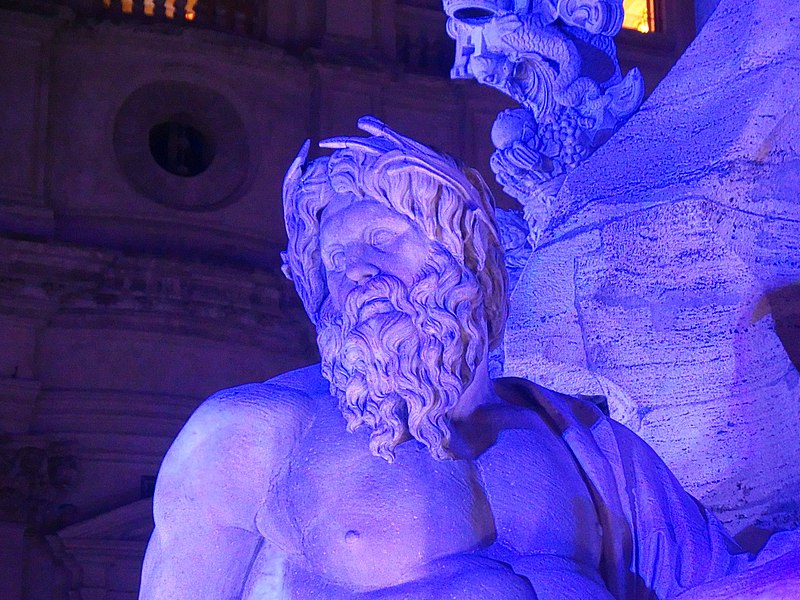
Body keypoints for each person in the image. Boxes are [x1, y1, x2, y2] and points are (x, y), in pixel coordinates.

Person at [139, 117, 744, 599]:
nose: (355, 273)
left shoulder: (588, 445)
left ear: (463, 253)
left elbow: (722, 583)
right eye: (334, 258)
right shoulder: (252, 433)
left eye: (381, 241)